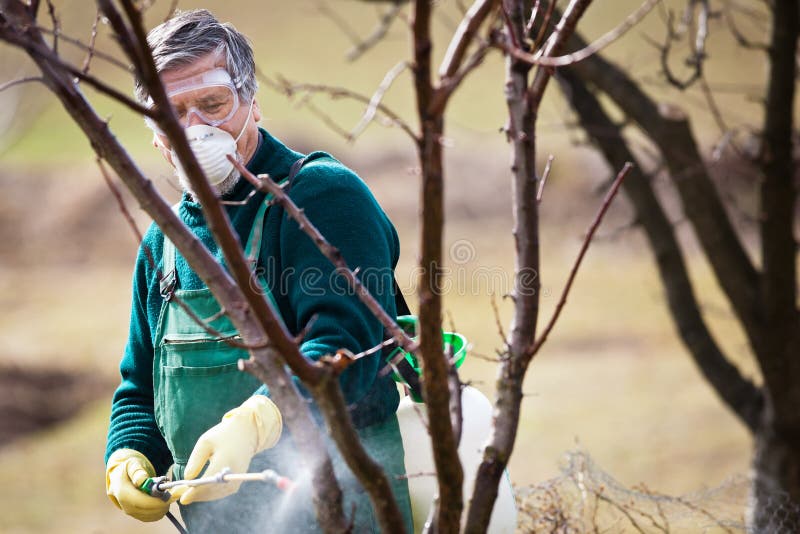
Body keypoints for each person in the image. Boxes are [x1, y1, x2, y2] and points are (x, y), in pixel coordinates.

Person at [104, 9, 413, 532]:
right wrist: (128, 452)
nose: (194, 130)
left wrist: (258, 420)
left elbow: (350, 346)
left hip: (347, 511)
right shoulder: (163, 242)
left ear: (252, 103)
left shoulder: (321, 198)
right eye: (172, 113)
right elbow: (140, 385)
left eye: (213, 104)